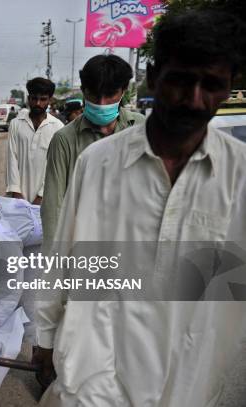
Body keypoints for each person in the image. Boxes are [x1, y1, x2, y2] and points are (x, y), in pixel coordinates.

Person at [35, 10, 246, 406]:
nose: (195, 100)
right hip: (96, 377)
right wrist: (44, 336)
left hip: (187, 384)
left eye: (213, 85)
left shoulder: (240, 177)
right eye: (182, 81)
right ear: (154, 74)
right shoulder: (96, 163)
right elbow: (63, 252)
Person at [41, 55, 145, 253]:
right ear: (83, 91)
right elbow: (53, 209)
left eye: (110, 95)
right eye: (95, 95)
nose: (102, 103)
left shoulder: (141, 128)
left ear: (123, 92)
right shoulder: (64, 140)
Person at [6, 77, 64, 204]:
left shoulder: (58, 127)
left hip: (47, 198)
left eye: (43, 99)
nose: (38, 103)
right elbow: (12, 159)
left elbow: (55, 166)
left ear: (50, 100)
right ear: (28, 98)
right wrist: (16, 192)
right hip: (18, 198)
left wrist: (42, 195)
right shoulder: (16, 124)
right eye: (34, 98)